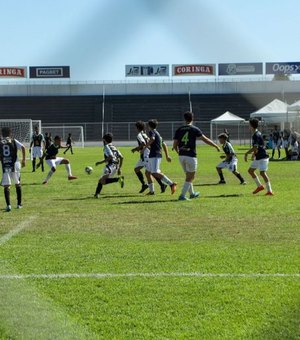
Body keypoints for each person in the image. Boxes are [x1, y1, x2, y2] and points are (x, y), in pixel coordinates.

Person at [173, 111, 220, 201]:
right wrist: (215, 145)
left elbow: (175, 144)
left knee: (188, 175)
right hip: (191, 155)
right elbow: (205, 139)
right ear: (192, 118)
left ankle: (192, 194)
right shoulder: (194, 129)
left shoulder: (179, 129)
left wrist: (178, 151)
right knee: (191, 176)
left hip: (181, 156)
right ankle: (182, 195)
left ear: (184, 119)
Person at [131, 121, 167, 194]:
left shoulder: (139, 135)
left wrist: (136, 149)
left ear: (137, 128)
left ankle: (160, 186)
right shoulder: (145, 134)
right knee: (137, 169)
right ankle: (145, 185)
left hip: (146, 155)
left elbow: (143, 144)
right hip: (144, 156)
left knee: (151, 172)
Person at [146, 119, 177, 195]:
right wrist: (167, 156)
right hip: (155, 155)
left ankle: (171, 184)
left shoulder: (152, 132)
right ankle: (151, 191)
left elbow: (152, 139)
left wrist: (145, 147)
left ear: (149, 126)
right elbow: (164, 144)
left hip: (155, 155)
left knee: (155, 172)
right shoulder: (158, 134)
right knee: (147, 172)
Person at [244, 118, 273, 196]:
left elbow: (255, 147)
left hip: (263, 157)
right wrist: (254, 154)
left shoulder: (256, 135)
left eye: (249, 125)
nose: (248, 126)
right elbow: (258, 146)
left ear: (252, 126)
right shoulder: (256, 133)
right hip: (258, 157)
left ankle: (270, 191)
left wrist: (246, 153)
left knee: (262, 173)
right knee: (250, 171)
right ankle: (260, 186)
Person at [0, 127, 26, 211]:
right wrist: (24, 159)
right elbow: (23, 147)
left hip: (5, 165)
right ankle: (19, 204)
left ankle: (8, 205)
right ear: (10, 133)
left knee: (6, 186)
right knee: (17, 183)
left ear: (2, 134)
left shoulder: (0, 142)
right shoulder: (13, 140)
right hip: (15, 164)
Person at [94, 133, 124, 198]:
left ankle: (118, 179)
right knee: (102, 181)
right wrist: (119, 168)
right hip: (115, 166)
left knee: (102, 180)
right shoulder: (114, 147)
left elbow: (110, 156)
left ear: (104, 140)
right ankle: (96, 194)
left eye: (103, 140)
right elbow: (121, 157)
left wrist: (100, 162)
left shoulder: (106, 146)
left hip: (110, 166)